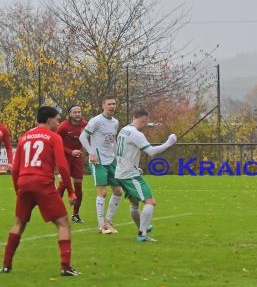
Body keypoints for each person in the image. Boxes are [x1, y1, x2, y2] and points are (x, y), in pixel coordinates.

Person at [2, 106, 80, 276]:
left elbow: (15, 169)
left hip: (24, 182)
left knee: (19, 223)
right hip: (43, 183)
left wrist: (18, 190)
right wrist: (71, 192)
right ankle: (66, 267)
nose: (59, 123)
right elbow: (63, 167)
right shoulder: (54, 137)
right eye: (57, 120)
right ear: (49, 120)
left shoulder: (24, 138)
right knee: (63, 224)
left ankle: (6, 265)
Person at [115, 108, 177, 242]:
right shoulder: (136, 134)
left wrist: (134, 166)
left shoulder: (124, 129)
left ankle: (142, 229)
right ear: (144, 119)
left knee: (134, 204)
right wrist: (169, 143)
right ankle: (142, 234)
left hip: (121, 172)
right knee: (150, 202)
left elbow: (123, 151)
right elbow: (151, 152)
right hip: (129, 175)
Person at [79, 96, 123, 234]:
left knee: (118, 191)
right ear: (103, 105)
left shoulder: (115, 122)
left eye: (114, 104)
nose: (112, 106)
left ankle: (108, 221)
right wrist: (91, 153)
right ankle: (101, 225)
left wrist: (119, 157)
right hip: (98, 161)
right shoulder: (96, 120)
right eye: (109, 104)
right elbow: (82, 137)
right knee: (102, 192)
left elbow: (113, 141)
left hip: (111, 160)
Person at [57, 104, 88, 223]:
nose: (78, 114)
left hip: (77, 159)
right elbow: (57, 144)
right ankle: (55, 212)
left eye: (79, 112)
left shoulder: (85, 125)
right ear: (69, 114)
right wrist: (70, 151)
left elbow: (91, 137)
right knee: (63, 184)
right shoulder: (63, 126)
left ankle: (76, 214)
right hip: (64, 157)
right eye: (75, 112)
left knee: (79, 187)